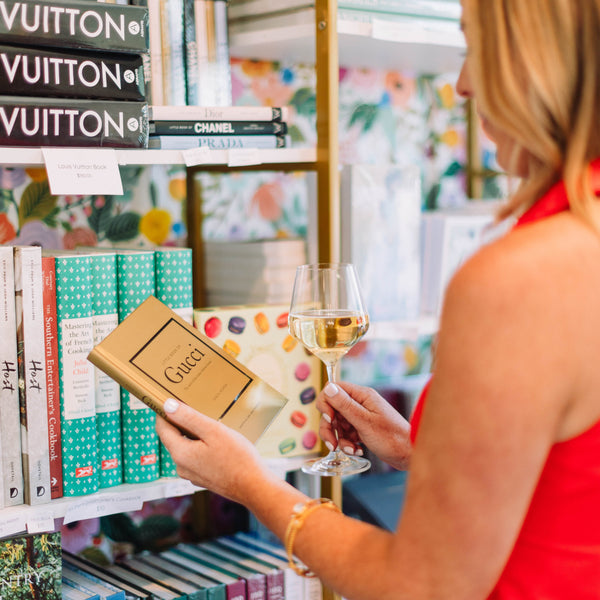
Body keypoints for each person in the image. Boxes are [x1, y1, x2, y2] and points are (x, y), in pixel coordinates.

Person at [156, 1, 600, 598]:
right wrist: (426, 453)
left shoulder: (521, 278)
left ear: (541, 58)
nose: (464, 85)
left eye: (476, 48)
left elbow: (417, 587)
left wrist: (249, 482)